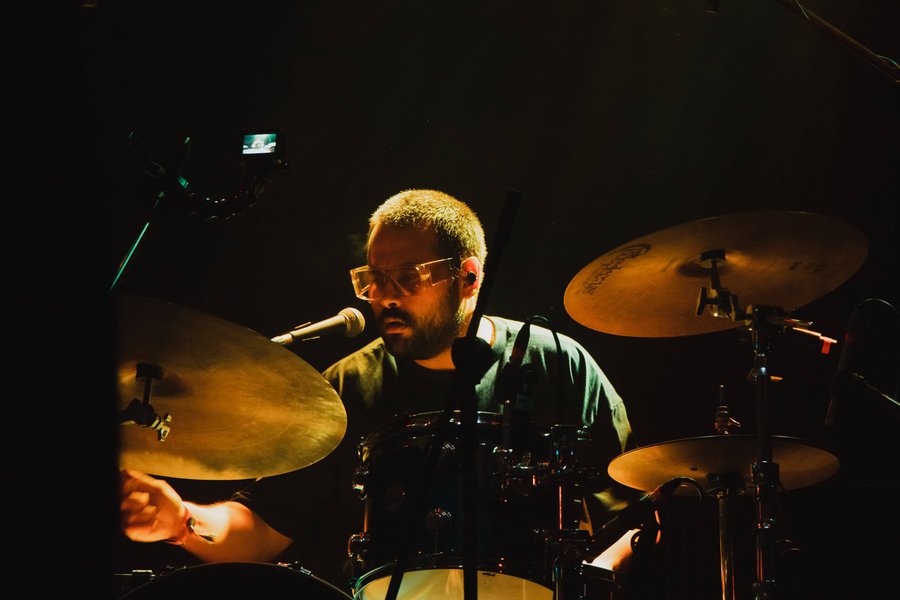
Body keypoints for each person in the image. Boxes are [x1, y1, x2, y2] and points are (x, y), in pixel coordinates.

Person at [120, 189, 646, 598]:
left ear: (468, 278)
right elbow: (262, 528)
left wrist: (590, 582)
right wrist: (181, 521)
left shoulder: (558, 362)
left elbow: (635, 515)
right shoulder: (347, 384)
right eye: (372, 278)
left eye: (407, 277)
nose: (383, 296)